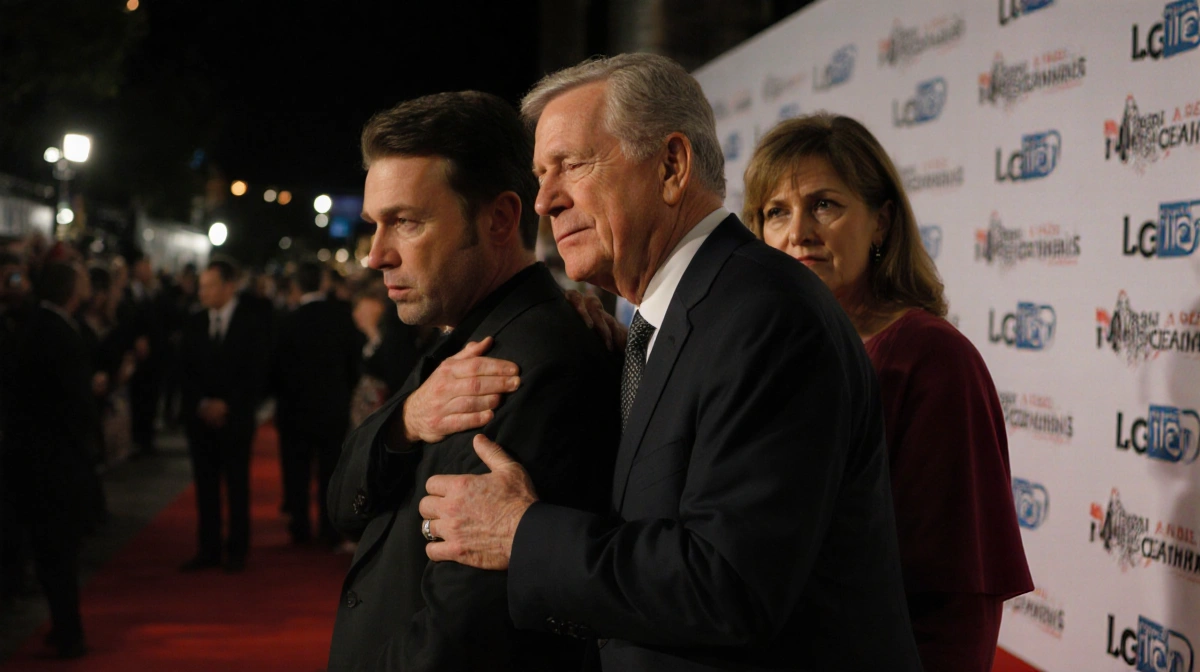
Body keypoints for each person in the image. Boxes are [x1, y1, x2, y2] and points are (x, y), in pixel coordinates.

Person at [416, 53, 922, 671]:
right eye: (540, 174)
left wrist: (521, 534)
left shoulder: (766, 317)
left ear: (672, 166)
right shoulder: (667, 321)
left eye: (569, 166)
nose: (544, 200)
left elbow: (727, 585)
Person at [324, 90, 620, 671]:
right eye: (374, 226)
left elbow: (462, 636)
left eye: (406, 222)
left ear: (502, 218)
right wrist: (405, 422)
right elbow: (343, 504)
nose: (375, 255)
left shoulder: (526, 363)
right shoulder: (467, 335)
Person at [740, 113, 1033, 671]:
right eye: (775, 212)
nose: (797, 231)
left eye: (824, 204)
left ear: (881, 222)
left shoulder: (932, 357)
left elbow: (956, 602)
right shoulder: (765, 352)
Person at [0, 261, 98, 658]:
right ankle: (69, 632)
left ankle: (64, 628)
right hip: (53, 462)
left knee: (50, 551)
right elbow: (72, 404)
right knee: (58, 551)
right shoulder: (57, 332)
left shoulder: (40, 325)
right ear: (72, 289)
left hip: (36, 458)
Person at [179, 259, 272, 573]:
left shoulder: (251, 323)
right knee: (205, 486)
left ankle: (237, 550)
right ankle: (208, 548)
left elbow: (255, 374)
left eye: (209, 286)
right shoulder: (193, 323)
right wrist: (203, 403)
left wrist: (226, 405)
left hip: (236, 419)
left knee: (236, 484)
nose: (202, 292)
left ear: (229, 287)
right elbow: (184, 372)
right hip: (200, 419)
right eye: (201, 286)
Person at [272, 261, 363, 546]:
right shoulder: (341, 316)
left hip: (294, 409)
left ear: (297, 286)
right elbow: (354, 362)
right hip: (332, 407)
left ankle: (300, 528)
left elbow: (275, 369)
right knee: (330, 470)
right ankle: (329, 528)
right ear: (323, 283)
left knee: (296, 471)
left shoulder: (287, 320)